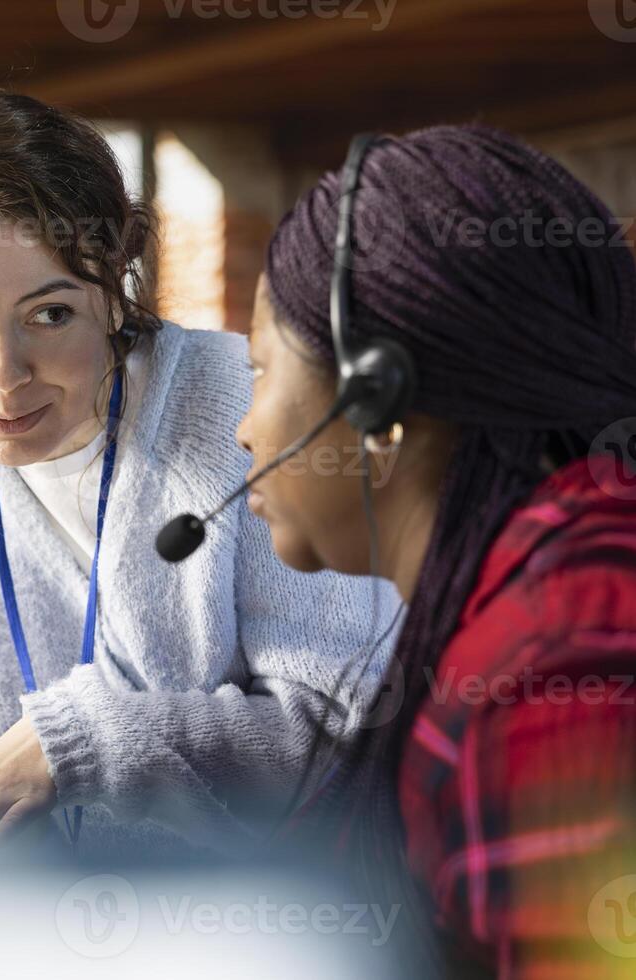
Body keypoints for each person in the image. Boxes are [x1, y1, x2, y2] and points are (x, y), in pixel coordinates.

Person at [0, 86, 401, 865]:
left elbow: (334, 740)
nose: (3, 377)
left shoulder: (249, 408)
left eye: (50, 314)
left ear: (115, 281)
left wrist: (81, 741)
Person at [236, 123, 636, 975]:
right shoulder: (561, 582)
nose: (244, 429)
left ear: (376, 399)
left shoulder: (557, 677)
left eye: (263, 370)